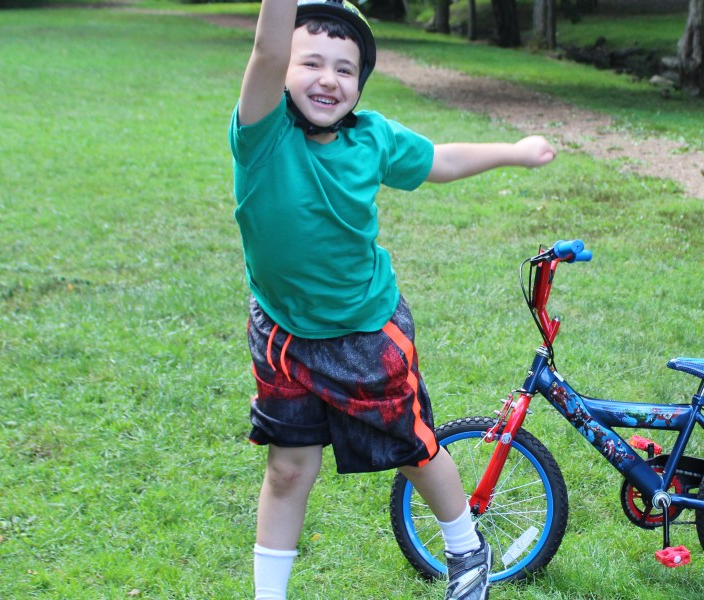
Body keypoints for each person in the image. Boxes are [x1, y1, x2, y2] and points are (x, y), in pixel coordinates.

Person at [228, 1, 556, 598]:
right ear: (283, 72)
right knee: (288, 468)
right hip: (282, 333)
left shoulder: (372, 138)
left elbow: (441, 160)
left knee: (413, 449)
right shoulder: (261, 134)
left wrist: (513, 150)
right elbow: (267, 50)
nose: (329, 79)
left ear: (361, 83)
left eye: (345, 69)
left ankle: (467, 553)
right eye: (311, 63)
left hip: (366, 330)